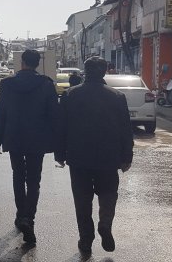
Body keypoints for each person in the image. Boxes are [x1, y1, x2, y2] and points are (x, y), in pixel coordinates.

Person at [56, 56, 134, 256]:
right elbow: (126, 129)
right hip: (109, 158)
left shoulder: (70, 95)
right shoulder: (116, 96)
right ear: (105, 72)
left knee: (82, 200)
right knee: (108, 195)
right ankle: (105, 224)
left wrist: (59, 153)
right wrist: (127, 156)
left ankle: (86, 239)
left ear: (85, 71)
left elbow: (61, 127)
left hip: (78, 157)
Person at [0, 49, 60, 245]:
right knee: (34, 180)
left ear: (22, 63)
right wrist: (58, 144)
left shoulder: (7, 84)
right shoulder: (46, 85)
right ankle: (28, 218)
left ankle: (20, 214)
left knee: (18, 176)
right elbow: (54, 115)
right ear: (37, 64)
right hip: (37, 140)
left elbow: (1, 113)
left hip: (14, 138)